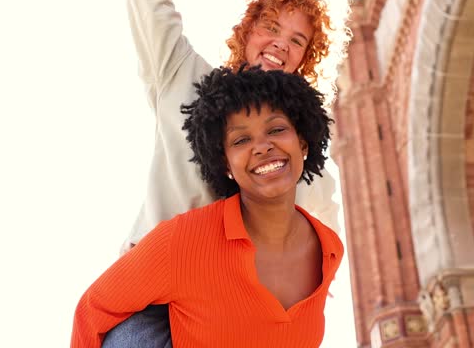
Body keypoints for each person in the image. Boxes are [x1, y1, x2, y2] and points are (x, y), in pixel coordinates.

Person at [106, 0, 347, 347]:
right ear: (247, 30)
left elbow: (320, 254)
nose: (280, 44)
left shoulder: (307, 168)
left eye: (297, 40)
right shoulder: (184, 77)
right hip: (152, 302)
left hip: (235, 322)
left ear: (305, 61)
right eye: (271, 27)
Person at [72, 66, 344, 348]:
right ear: (225, 163)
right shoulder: (182, 241)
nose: (262, 147)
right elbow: (92, 311)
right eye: (241, 140)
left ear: (302, 143)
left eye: (276, 129)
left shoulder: (329, 249)